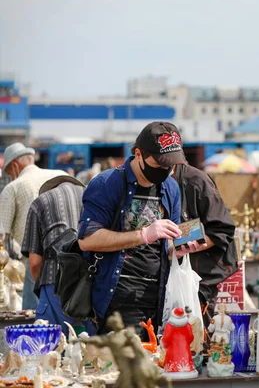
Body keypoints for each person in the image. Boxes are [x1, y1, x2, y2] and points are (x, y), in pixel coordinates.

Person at [78, 122, 188, 336]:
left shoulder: (170, 188)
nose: (166, 170)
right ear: (138, 154)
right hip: (117, 302)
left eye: (171, 165)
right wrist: (143, 234)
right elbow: (87, 238)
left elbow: (170, 243)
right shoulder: (107, 183)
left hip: (159, 301)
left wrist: (180, 249)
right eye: (160, 164)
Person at [0, 142, 67, 311]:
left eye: (9, 172)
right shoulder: (61, 175)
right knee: (66, 311)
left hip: (36, 259)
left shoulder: (13, 187)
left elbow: (1, 235)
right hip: (71, 256)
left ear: (14, 166)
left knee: (33, 316)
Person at [171, 162, 238, 330]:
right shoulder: (148, 182)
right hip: (167, 273)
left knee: (197, 333)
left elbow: (222, 229)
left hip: (200, 273)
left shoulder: (196, 181)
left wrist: (183, 247)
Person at [20, 175, 86, 335]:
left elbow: (35, 263)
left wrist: (44, 287)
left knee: (52, 350)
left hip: (53, 283)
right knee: (88, 352)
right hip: (88, 283)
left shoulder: (40, 203)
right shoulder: (90, 195)